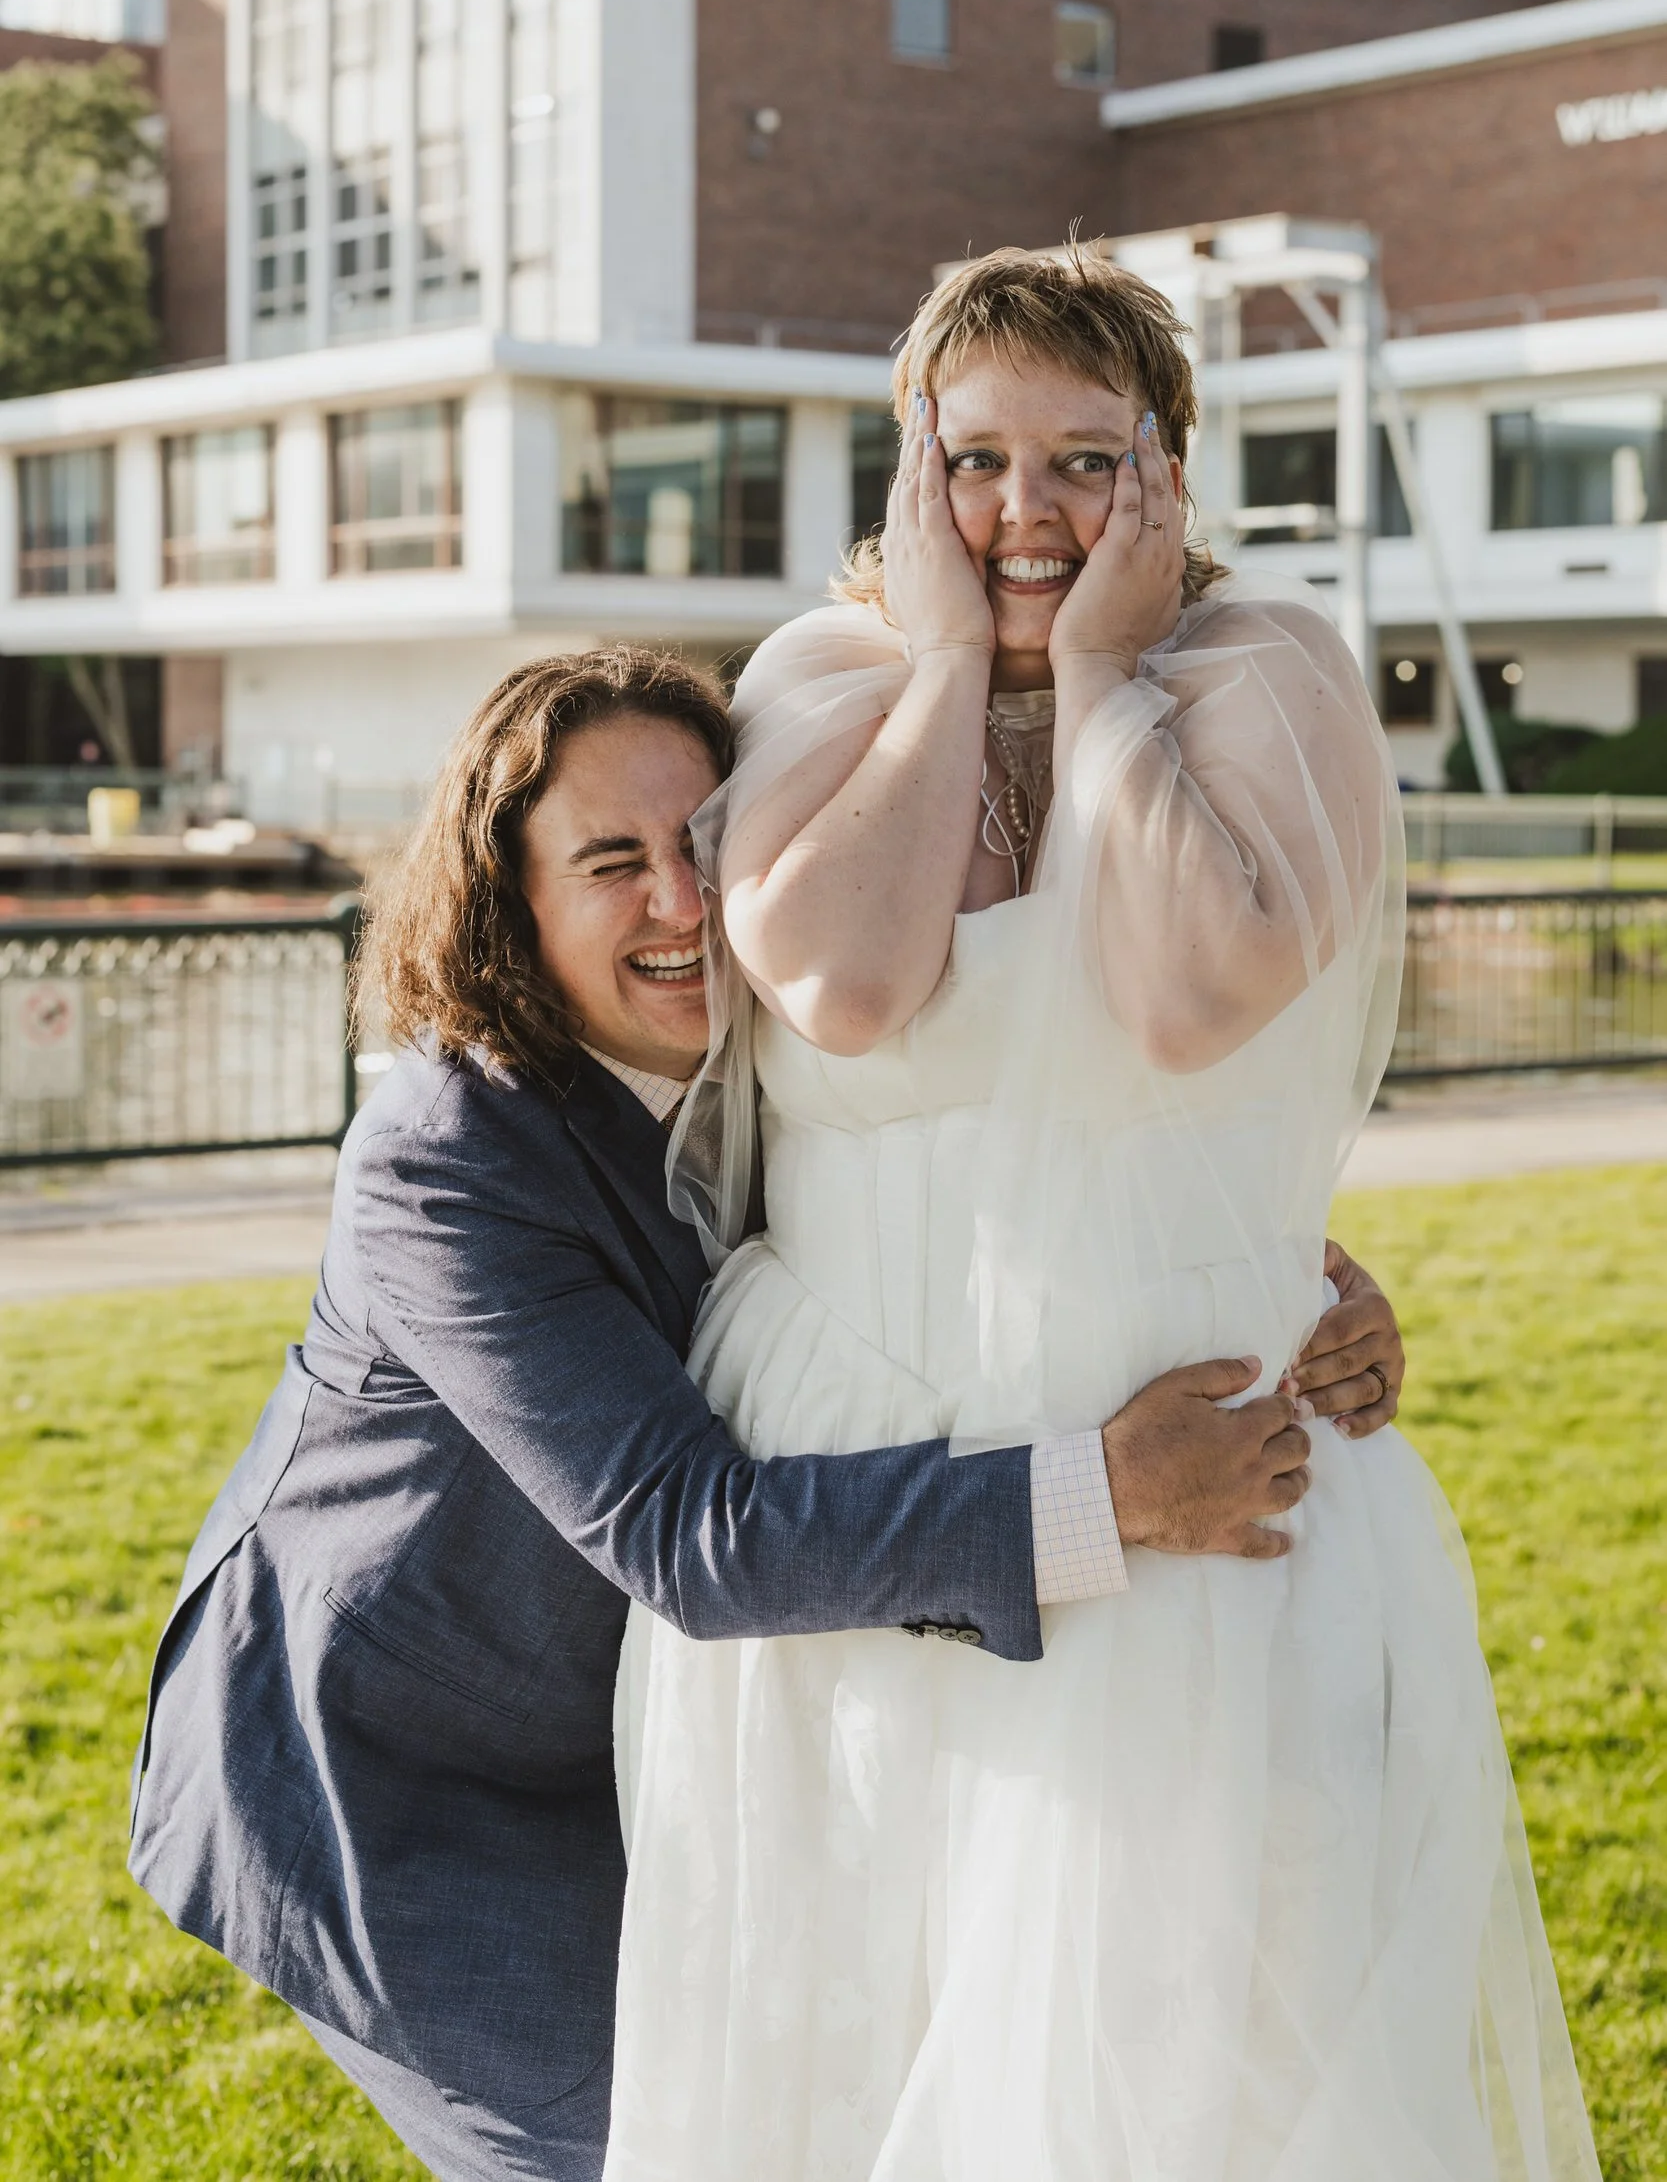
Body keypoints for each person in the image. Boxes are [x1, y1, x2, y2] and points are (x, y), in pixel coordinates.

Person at [127, 645, 1403, 2182]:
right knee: (660, 2144)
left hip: (627, 1728)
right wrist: (1107, 1496)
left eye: (705, 842)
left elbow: (992, 1229)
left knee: (816, 2112)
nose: (680, 899)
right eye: (613, 864)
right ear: (504, 908)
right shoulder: (443, 1160)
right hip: (386, 1783)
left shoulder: (790, 1055)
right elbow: (688, 1530)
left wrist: (1290, 1297)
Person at [606, 250, 1601, 2181]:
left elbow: (1173, 1004)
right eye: (972, 459)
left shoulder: (1272, 675)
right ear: (910, 470)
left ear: (1170, 469)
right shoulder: (819, 679)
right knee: (860, 2017)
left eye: (1084, 459)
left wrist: (1089, 680)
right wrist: (949, 667)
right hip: (872, 1459)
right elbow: (847, 989)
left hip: (1209, 1492)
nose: (1026, 513)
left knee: (1195, 2045)